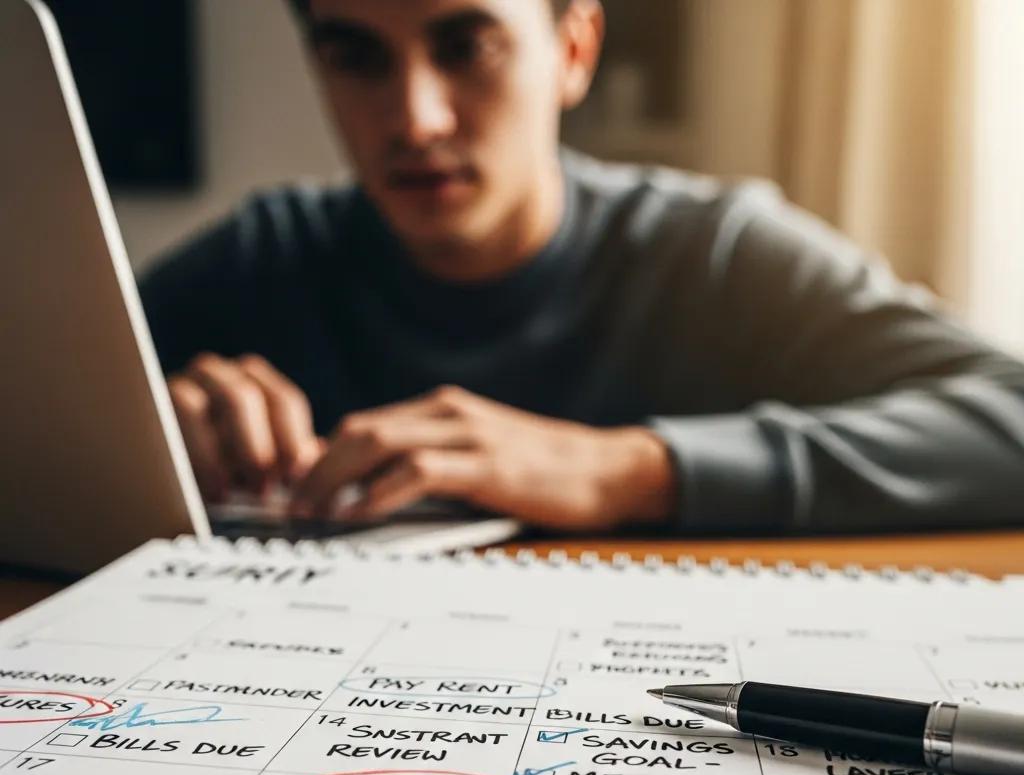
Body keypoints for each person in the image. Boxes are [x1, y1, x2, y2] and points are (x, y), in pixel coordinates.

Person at [142, 0, 1024, 534]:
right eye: (356, 56)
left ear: (573, 50)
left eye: (467, 45)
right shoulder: (265, 256)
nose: (413, 119)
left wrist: (630, 471)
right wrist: (140, 433)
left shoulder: (712, 253)